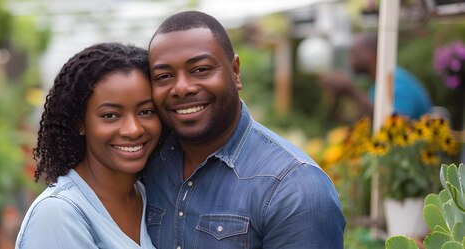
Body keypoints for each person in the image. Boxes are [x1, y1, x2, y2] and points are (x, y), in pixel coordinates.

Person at [143, 11, 345, 249]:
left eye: (200, 69)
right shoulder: (148, 165)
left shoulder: (295, 188)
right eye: (164, 76)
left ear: (235, 71)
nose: (182, 88)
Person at [16, 43, 160, 248]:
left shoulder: (150, 197)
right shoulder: (59, 215)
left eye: (146, 111)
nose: (133, 129)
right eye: (110, 115)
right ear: (80, 123)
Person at [318, 33, 432, 121]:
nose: (349, 60)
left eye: (354, 53)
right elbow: (367, 120)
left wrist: (351, 90)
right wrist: (340, 99)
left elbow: (392, 123)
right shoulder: (378, 83)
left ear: (372, 53)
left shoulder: (394, 81)